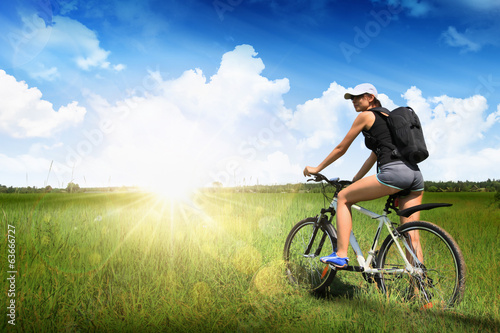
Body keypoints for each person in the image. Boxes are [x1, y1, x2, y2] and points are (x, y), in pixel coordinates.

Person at [303, 83, 424, 268]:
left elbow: (341, 148)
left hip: (394, 174)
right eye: (351, 98)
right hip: (415, 176)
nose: (353, 101)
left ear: (370, 98)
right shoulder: (390, 119)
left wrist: (317, 168)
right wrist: (355, 181)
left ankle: (341, 254)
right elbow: (373, 157)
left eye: (358, 97)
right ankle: (419, 290)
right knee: (411, 236)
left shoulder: (366, 116)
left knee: (343, 198)